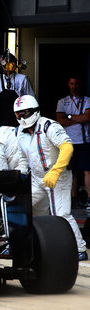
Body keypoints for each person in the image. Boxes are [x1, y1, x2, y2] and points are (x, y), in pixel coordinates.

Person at [14, 95, 87, 261]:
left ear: (34, 111)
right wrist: (20, 176)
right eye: (18, 114)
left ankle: (79, 248)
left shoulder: (48, 125)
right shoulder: (19, 131)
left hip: (58, 176)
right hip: (36, 178)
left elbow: (67, 147)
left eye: (24, 113)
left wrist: (56, 171)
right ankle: (33, 243)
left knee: (61, 215)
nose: (22, 117)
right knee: (20, 207)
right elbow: (22, 159)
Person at [55, 75, 90, 213]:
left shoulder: (87, 100)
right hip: (68, 142)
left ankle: (89, 199)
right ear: (68, 85)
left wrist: (68, 116)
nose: (74, 86)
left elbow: (87, 117)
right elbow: (59, 120)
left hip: (84, 140)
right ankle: (73, 198)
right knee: (71, 172)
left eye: (76, 83)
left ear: (80, 85)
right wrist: (78, 119)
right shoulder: (62, 102)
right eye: (71, 83)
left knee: (87, 171)